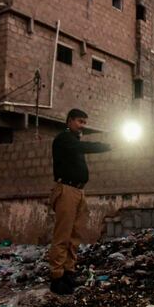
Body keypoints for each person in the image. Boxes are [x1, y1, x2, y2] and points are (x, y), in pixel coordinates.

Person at [49, 108, 111, 295]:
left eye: (84, 122)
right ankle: (56, 276)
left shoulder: (74, 142)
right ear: (69, 121)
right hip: (66, 190)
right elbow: (84, 147)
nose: (82, 125)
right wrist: (106, 146)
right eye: (79, 121)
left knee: (75, 234)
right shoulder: (64, 139)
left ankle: (69, 272)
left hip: (78, 190)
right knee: (63, 235)